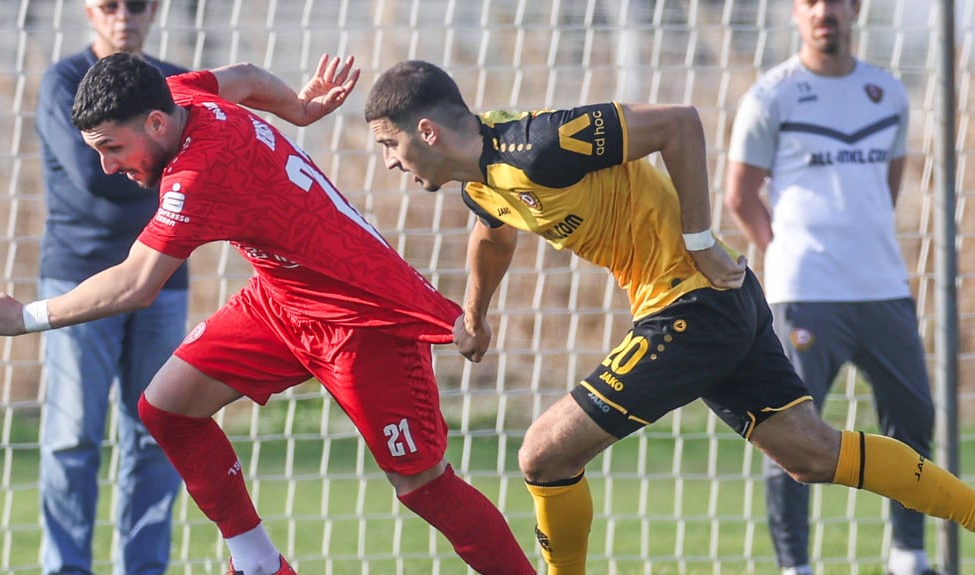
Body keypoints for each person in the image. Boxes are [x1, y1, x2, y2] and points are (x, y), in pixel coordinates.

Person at [363, 60, 975, 575]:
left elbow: (680, 123)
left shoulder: (541, 144)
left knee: (543, 454)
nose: (390, 162)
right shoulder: (483, 181)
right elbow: (493, 235)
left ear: (427, 132)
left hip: (690, 306)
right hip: (716, 305)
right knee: (813, 454)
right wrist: (475, 315)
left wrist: (701, 239)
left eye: (390, 144)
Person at [0, 53, 534, 575]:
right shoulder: (177, 94)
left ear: (154, 124)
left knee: (421, 485)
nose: (107, 166)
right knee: (167, 408)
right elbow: (248, 78)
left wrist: (25, 317)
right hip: (282, 298)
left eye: (111, 148)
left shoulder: (201, 171)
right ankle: (258, 563)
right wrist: (298, 109)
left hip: (359, 320)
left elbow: (135, 283)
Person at [724, 1, 937, 574]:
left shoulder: (887, 93)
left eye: (837, 1)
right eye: (811, 1)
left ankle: (908, 555)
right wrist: (786, 253)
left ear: (855, 9)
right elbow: (739, 195)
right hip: (806, 293)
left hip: (882, 288)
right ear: (797, 13)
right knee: (791, 432)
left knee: (914, 418)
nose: (825, 12)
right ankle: (796, 566)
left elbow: (886, 187)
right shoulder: (771, 96)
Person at [34, 1, 186, 573]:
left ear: (155, 10)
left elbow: (215, 157)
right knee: (73, 436)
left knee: (156, 433)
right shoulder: (63, 83)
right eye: (110, 4)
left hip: (162, 280)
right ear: (88, 10)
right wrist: (176, 175)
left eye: (138, 3)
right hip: (79, 281)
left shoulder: (175, 83)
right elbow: (93, 176)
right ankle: (66, 567)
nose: (125, 15)